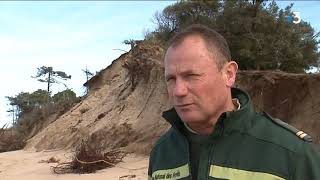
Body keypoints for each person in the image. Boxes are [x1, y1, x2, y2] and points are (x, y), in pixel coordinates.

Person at [148, 24, 320, 180]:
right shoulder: (161, 152)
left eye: (191, 76)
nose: (178, 91)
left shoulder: (293, 153)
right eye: (170, 79)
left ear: (229, 74)